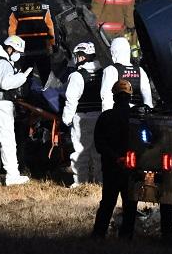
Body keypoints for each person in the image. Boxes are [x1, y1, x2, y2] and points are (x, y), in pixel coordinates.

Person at [0, 34, 33, 185]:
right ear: (10, 49)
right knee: (8, 142)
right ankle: (12, 176)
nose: (18, 55)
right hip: (0, 104)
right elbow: (5, 83)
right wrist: (22, 77)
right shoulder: (2, 62)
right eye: (17, 52)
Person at [91, 81, 138, 239]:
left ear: (114, 97)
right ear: (130, 97)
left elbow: (99, 144)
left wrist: (115, 158)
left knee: (107, 202)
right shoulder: (136, 117)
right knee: (130, 204)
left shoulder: (105, 117)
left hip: (111, 166)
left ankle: (99, 234)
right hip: (131, 167)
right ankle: (126, 235)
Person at [60, 41, 103, 186]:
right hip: (100, 117)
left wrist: (66, 119)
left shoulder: (77, 76)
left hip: (82, 118)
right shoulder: (103, 73)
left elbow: (71, 100)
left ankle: (80, 182)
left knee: (80, 152)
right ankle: (99, 182)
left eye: (77, 56)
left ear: (82, 57)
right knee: (98, 152)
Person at [8, 0, 56, 82]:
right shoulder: (44, 7)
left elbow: (12, 31)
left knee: (25, 80)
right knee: (46, 80)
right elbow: (50, 27)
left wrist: (12, 49)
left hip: (23, 52)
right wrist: (52, 45)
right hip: (42, 50)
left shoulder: (15, 9)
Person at [99, 37, 153, 110]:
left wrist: (108, 115)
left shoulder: (110, 70)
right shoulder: (140, 70)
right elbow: (147, 98)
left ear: (114, 52)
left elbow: (106, 97)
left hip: (119, 112)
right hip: (138, 113)